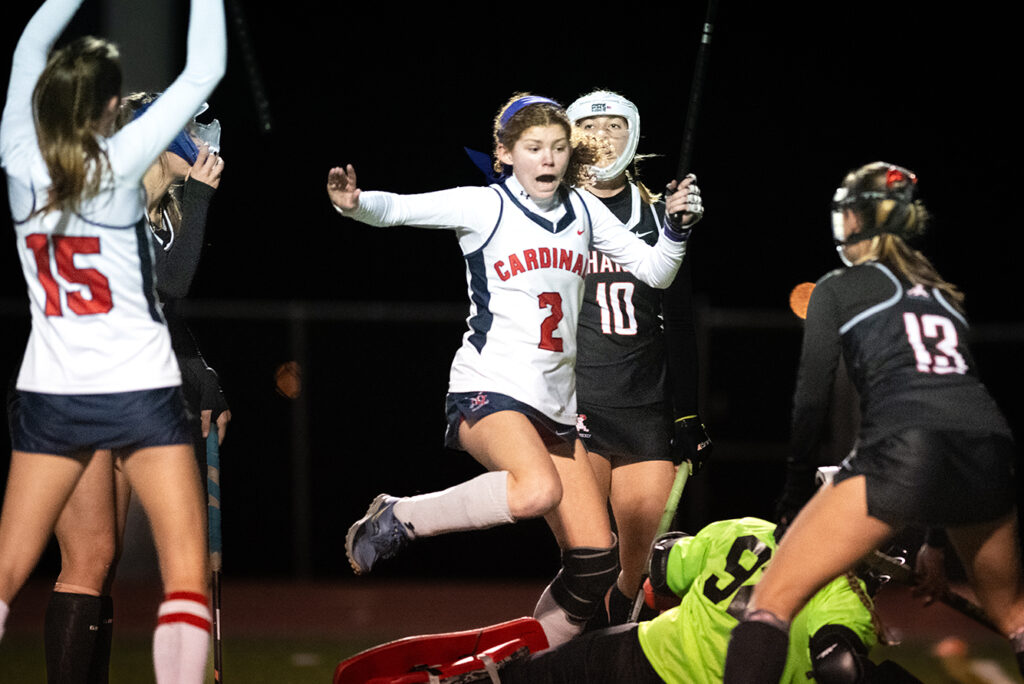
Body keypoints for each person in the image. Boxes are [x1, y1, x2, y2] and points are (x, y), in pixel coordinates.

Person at [327, 93, 704, 646]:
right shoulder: (485, 205)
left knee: (595, 565)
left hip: (557, 406)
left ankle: (532, 667)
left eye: (557, 148)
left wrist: (675, 227)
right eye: (534, 148)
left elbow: (657, 271)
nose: (548, 159)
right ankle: (400, 516)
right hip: (491, 387)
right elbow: (399, 209)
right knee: (533, 492)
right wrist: (353, 202)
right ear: (505, 154)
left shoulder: (583, 210)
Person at [721, 162, 1024, 683]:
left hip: (906, 449)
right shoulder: (942, 294)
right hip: (991, 449)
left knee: (770, 602)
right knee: (1015, 617)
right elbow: (951, 410)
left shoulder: (841, 287)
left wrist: (795, 498)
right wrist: (933, 541)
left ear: (856, 220)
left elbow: (810, 401)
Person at [0, 1, 226, 682]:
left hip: (52, 391)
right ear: (107, 108)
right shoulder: (123, 157)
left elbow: (26, 45)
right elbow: (206, 68)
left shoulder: (17, 153)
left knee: (6, 571)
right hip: (137, 388)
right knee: (183, 572)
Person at [40, 92, 230, 684]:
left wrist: (202, 376)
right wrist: (200, 196)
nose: (206, 139)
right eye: (191, 127)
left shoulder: (157, 212)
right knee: (89, 558)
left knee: (106, 557)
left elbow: (161, 313)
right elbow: (170, 282)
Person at [336, 517, 920, 684]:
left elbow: (661, 567)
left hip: (636, 652)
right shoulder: (844, 603)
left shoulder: (750, 530)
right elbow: (839, 667)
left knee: (526, 678)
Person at [566, 89, 712, 626]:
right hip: (573, 406)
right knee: (587, 560)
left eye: (615, 127)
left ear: (634, 137)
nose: (603, 139)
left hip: (644, 407)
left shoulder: (660, 217)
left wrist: (687, 414)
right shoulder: (547, 211)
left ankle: (608, 653)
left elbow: (678, 321)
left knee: (639, 572)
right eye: (590, 127)